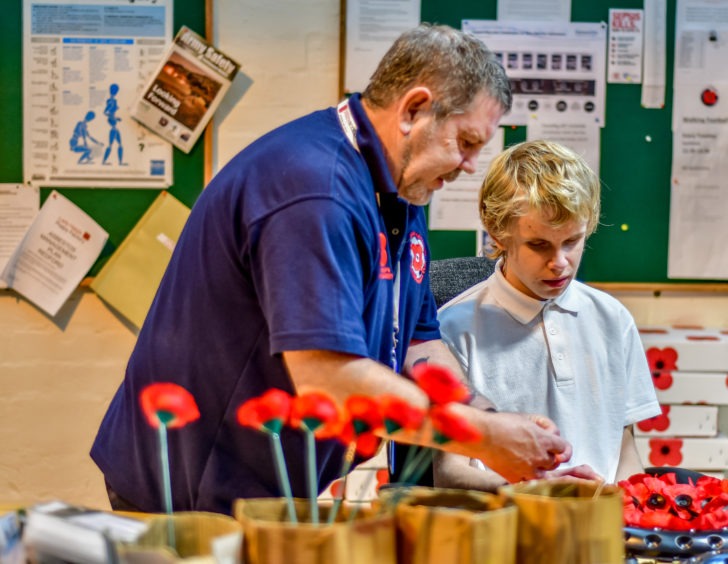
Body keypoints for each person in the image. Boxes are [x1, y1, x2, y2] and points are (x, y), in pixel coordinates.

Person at [91, 25, 572, 515]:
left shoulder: (400, 190)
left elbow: (418, 343)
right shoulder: (315, 189)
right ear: (413, 110)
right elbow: (332, 381)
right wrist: (485, 437)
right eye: (466, 142)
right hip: (192, 489)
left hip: (272, 485)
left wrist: (502, 426)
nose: (471, 165)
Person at [435, 140, 661, 492]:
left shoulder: (613, 319)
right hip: (503, 524)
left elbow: (624, 452)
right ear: (498, 232)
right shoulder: (451, 330)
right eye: (539, 244)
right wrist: (533, 492)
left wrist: (622, 500)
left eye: (572, 241)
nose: (559, 262)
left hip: (595, 527)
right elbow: (449, 473)